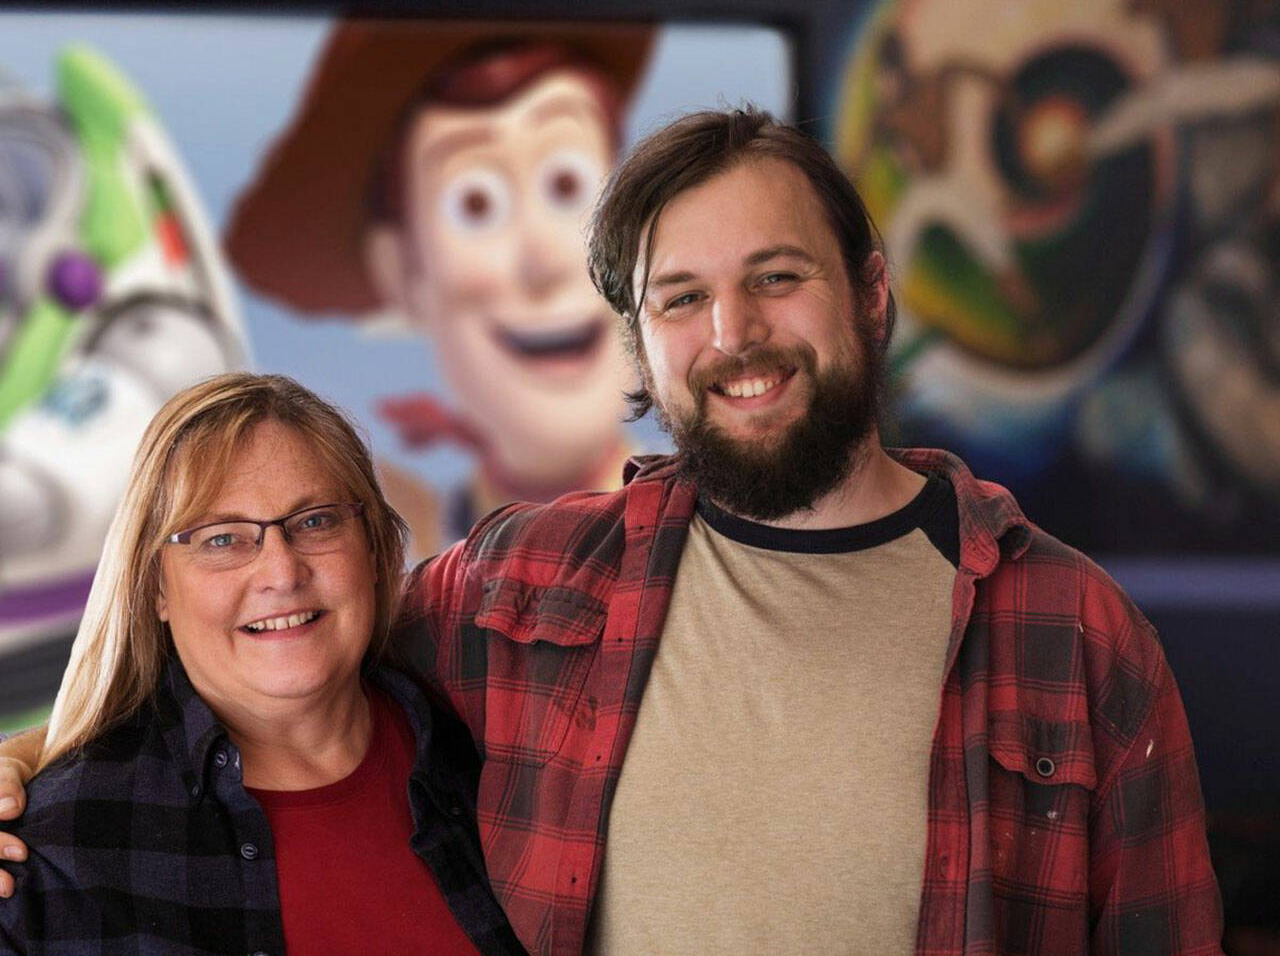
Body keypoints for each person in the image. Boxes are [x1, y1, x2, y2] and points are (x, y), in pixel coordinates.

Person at [2, 109, 1224, 955]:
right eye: (679, 298)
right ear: (640, 346)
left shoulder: (1068, 629)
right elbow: (286, 642)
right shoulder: (528, 583)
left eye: (776, 276)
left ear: (867, 289)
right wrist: (28, 761)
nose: (731, 331)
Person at [0, 374, 523, 954]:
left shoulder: (492, 756)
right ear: (156, 590)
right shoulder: (53, 854)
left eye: (316, 521)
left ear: (375, 548)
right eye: (222, 539)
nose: (281, 572)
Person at [225, 20, 653, 560]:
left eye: (567, 186)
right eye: (476, 205)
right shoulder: (385, 559)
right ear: (401, 270)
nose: (544, 260)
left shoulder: (723, 540)